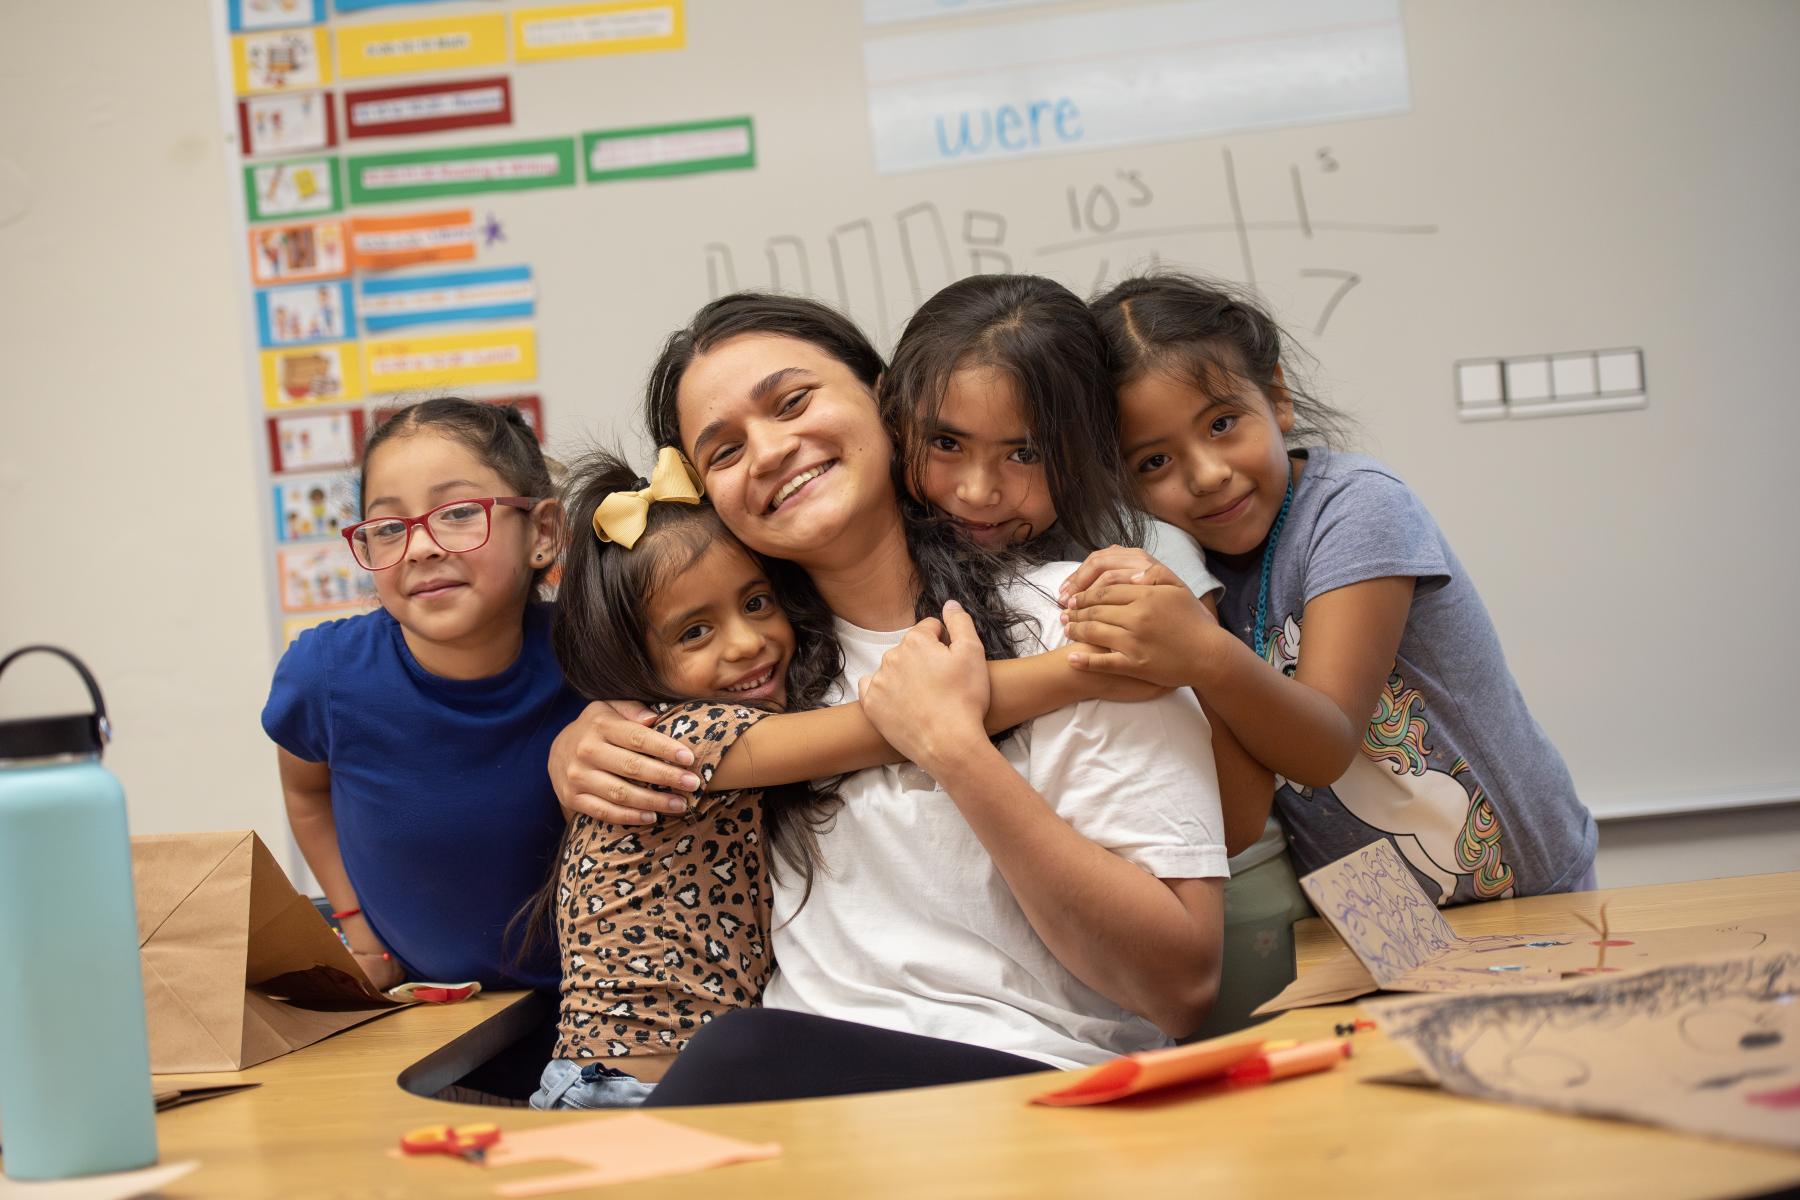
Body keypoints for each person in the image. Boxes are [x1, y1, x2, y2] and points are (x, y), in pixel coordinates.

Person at [606, 292, 1228, 1106]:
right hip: (800, 1099)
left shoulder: (1080, 616)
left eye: (792, 402)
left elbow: (1180, 985)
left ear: (886, 401)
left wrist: (957, 751)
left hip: (1030, 1087)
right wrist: (581, 737)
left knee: (731, 1064)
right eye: (722, 451)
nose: (766, 451)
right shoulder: (751, 672)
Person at [526, 446, 1148, 1107]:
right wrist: (1095, 664)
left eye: (758, 602)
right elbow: (892, 725)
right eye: (695, 632)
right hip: (626, 1089)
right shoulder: (685, 742)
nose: (745, 642)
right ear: (636, 663)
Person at [1061, 272, 1597, 903]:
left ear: (1278, 398)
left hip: (1527, 886)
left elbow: (1326, 744)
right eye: (1154, 462)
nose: (1206, 475)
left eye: (1223, 424)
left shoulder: (1358, 510)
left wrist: (1202, 652)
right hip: (1376, 921)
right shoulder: (1184, 569)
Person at [881, 272, 1272, 855]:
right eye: (945, 443)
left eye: (1025, 453)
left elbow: (1237, 822)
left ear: (1091, 445)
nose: (978, 491)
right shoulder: (891, 549)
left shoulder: (1140, 556)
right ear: (892, 413)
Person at [261, 398, 576, 991]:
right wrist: (355, 926)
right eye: (387, 528)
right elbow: (305, 792)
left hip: (596, 1014)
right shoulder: (324, 675)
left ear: (542, 532)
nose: (422, 546)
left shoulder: (595, 655)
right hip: (430, 1018)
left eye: (457, 513)